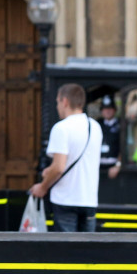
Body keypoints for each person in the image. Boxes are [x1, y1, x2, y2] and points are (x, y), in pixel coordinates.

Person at [29, 83, 103, 232]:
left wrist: (42, 187)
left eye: (57, 102)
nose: (57, 107)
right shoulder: (95, 127)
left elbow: (59, 167)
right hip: (88, 199)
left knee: (66, 252)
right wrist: (50, 170)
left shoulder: (61, 128)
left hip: (65, 199)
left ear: (65, 102)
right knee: (87, 251)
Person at [98, 95, 122, 179]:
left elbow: (124, 146)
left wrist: (118, 165)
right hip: (98, 165)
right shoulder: (97, 124)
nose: (107, 111)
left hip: (114, 165)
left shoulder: (120, 125)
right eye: (105, 109)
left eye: (110, 108)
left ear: (114, 110)